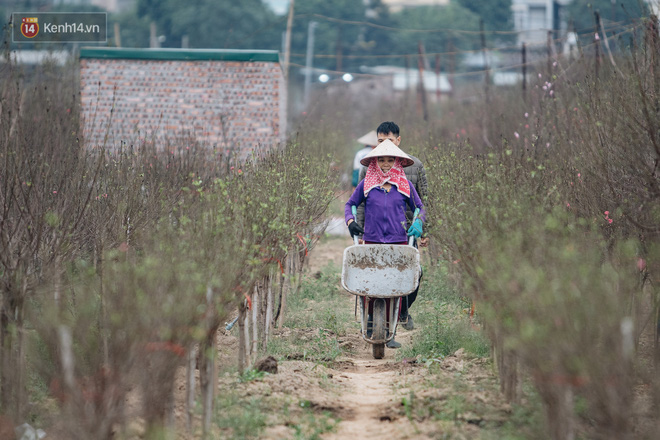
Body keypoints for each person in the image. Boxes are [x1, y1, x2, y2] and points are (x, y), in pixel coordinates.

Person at [345, 139, 425, 349]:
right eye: (382, 159)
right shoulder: (367, 185)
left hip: (398, 242)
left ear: (397, 162)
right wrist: (351, 221)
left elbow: (420, 207)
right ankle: (371, 324)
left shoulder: (404, 185)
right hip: (371, 241)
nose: (386, 164)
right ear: (376, 161)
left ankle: (390, 331)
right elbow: (350, 204)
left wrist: (418, 222)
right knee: (370, 287)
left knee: (395, 288)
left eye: (391, 160)